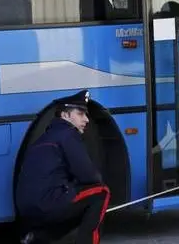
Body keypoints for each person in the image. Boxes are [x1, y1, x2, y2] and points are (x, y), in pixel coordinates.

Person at [16, 90, 110, 244]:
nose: (86, 119)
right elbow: (90, 176)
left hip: (27, 210)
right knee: (101, 192)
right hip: (48, 204)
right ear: (65, 115)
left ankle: (38, 237)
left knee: (72, 199)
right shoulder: (68, 134)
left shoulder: (46, 136)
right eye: (80, 114)